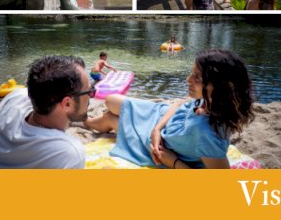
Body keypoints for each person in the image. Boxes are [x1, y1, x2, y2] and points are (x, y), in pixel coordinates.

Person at [85, 49, 254, 168]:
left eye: (196, 77)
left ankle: (86, 122)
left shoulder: (207, 133)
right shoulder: (208, 101)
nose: (188, 79)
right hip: (160, 118)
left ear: (219, 86)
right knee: (110, 100)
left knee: (110, 117)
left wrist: (172, 162)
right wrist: (157, 129)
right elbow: (180, 104)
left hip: (155, 143)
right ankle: (88, 121)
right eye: (191, 73)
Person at [0, 55, 92, 168]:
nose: (91, 96)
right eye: (89, 91)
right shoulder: (69, 152)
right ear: (67, 103)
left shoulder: (14, 97)